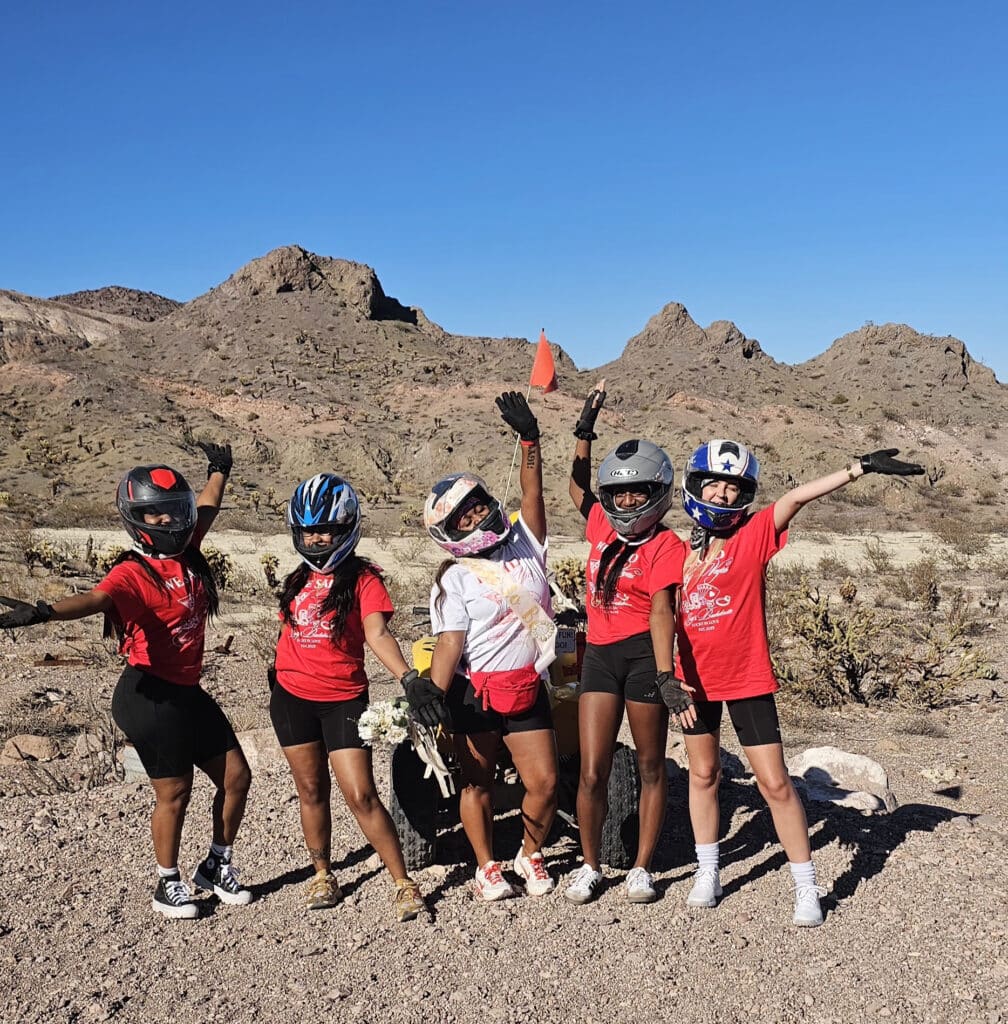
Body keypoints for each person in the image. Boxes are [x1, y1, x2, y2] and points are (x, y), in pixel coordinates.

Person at [665, 440, 924, 926]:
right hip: (692, 683)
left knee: (776, 782)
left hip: (746, 678)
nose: (721, 495)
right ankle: (708, 871)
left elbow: (797, 498)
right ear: (695, 486)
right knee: (703, 775)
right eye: (714, 484)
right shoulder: (675, 553)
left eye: (732, 487)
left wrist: (859, 468)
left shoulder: (753, 534)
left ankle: (806, 885)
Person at [0, 443, 253, 920]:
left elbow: (207, 505)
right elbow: (94, 599)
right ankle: (167, 883)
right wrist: (42, 613)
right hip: (148, 694)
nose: (168, 522)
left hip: (186, 690)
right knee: (174, 792)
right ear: (137, 519)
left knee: (237, 777)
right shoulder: (131, 574)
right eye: (155, 516)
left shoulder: (186, 548)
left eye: (171, 513)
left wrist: (219, 469)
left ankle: (216, 864)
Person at [410, 391, 558, 901]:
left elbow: (533, 491)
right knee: (477, 784)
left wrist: (531, 439)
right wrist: (430, 695)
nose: (476, 519)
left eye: (477, 508)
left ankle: (530, 853)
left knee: (543, 781)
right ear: (449, 533)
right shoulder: (453, 579)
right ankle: (486, 865)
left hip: (528, 685)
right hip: (476, 692)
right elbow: (450, 644)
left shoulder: (526, 541)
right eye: (464, 518)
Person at [268, 472, 425, 922]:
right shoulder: (298, 578)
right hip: (291, 698)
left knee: (360, 793)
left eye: (325, 530)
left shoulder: (363, 579)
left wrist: (408, 677)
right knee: (310, 789)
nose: (316, 538)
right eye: (308, 530)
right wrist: (277, 673)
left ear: (346, 529)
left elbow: (377, 633)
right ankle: (322, 873)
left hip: (342, 700)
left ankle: (401, 881)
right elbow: (289, 633)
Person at [565, 381, 688, 905]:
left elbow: (663, 610)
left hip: (643, 657)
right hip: (600, 657)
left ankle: (641, 867)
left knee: (650, 764)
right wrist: (584, 431)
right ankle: (589, 865)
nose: (627, 500)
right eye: (619, 492)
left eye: (637, 491)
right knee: (591, 768)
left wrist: (666, 674)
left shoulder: (665, 543)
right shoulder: (600, 524)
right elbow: (576, 489)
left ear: (657, 492)